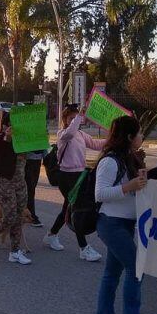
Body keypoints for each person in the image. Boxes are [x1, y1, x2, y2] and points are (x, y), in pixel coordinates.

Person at [94, 115, 155, 314]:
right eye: (139, 133)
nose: (141, 137)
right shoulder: (109, 161)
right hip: (111, 223)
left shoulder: (130, 158)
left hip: (127, 223)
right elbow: (100, 194)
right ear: (129, 136)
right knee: (135, 269)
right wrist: (128, 186)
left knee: (113, 271)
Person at [43, 105, 105, 261]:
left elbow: (96, 144)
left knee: (67, 207)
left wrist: (113, 138)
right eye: (70, 118)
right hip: (67, 177)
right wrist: (78, 117)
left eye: (76, 117)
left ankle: (51, 235)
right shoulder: (63, 134)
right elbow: (70, 131)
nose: (74, 121)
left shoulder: (81, 134)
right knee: (78, 209)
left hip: (80, 175)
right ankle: (84, 248)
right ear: (65, 119)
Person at [0, 112, 31, 264]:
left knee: (19, 217)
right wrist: (7, 139)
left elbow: (38, 151)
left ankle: (14, 252)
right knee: (9, 216)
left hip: (20, 183)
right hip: (4, 182)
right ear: (6, 125)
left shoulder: (24, 138)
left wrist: (40, 136)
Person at [25, 149, 46, 227]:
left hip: (37, 159)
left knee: (31, 187)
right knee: (30, 189)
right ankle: (31, 216)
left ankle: (27, 214)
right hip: (27, 159)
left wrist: (45, 156)